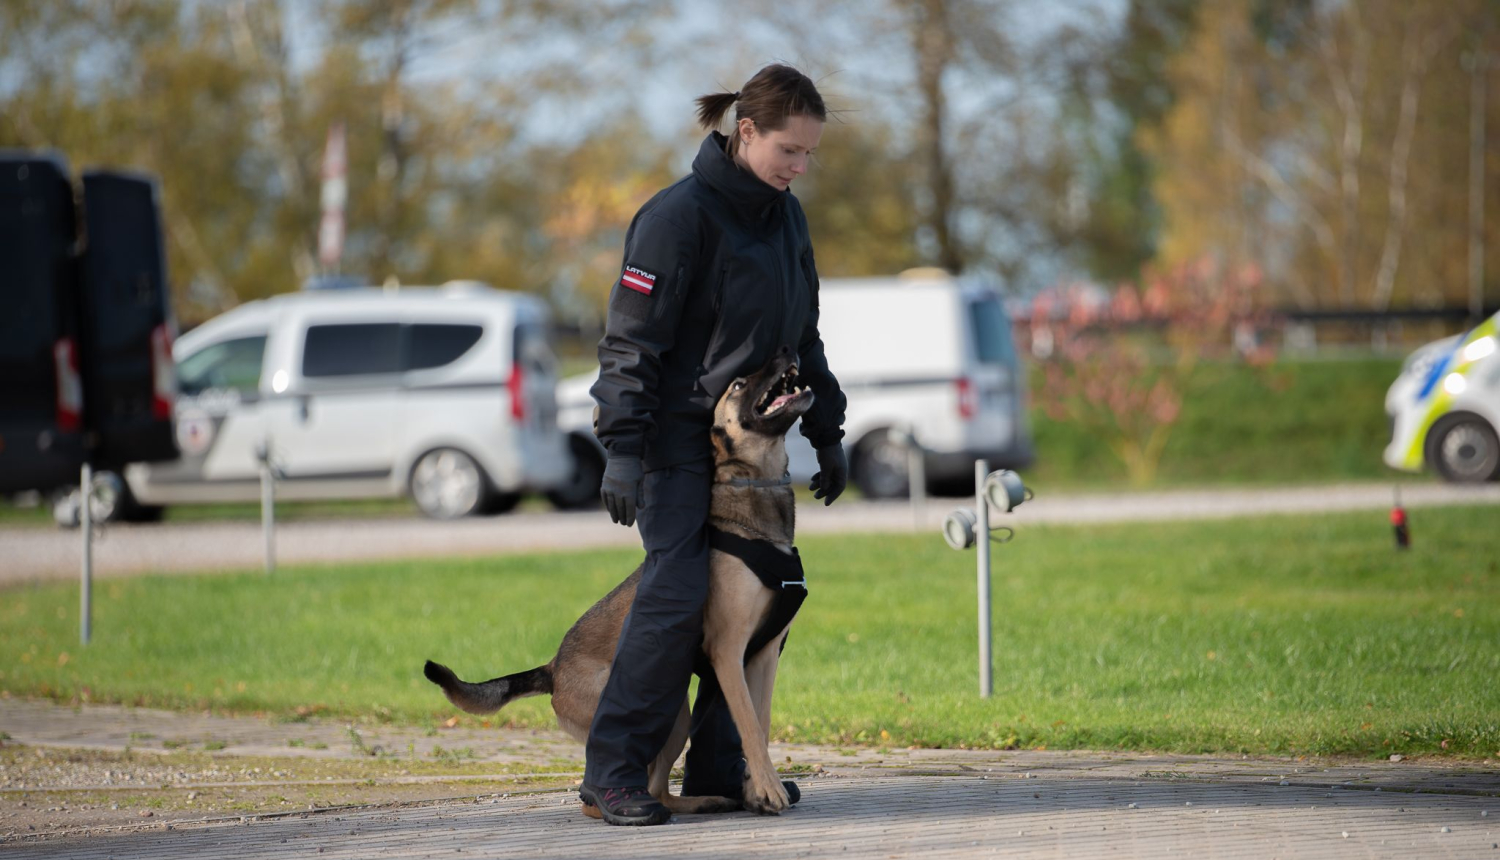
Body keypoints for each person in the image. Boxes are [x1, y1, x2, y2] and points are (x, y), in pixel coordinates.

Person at [579, 64, 848, 826]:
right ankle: (615, 773)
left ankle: (726, 769)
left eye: (809, 156)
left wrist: (828, 431)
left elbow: (805, 336)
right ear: (747, 132)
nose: (798, 168)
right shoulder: (676, 218)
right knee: (673, 595)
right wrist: (623, 449)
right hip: (674, 443)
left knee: (763, 602)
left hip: (753, 447)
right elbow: (629, 345)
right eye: (788, 151)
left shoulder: (786, 220)